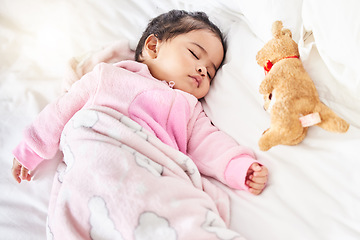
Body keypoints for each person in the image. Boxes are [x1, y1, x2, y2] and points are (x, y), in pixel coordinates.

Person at [11, 10, 268, 238]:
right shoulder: (107, 76)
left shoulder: (189, 108)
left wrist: (238, 167)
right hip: (96, 155)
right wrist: (31, 149)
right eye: (194, 54)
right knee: (76, 208)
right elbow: (61, 109)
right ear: (153, 47)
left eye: (210, 71)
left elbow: (210, 143)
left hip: (151, 178)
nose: (202, 69)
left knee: (185, 214)